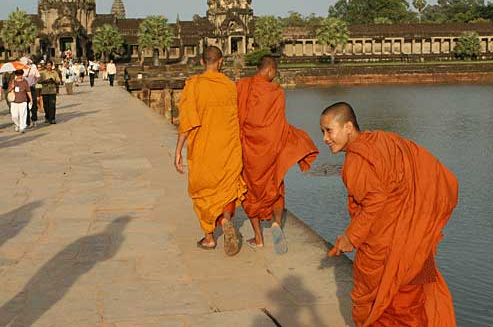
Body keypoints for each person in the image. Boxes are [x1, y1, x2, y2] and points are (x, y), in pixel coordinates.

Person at [321, 102, 458, 327]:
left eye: (329, 130)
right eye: (323, 132)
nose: (325, 138)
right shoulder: (385, 140)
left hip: (387, 252)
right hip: (415, 244)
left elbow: (375, 200)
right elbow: (433, 171)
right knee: (414, 308)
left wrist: (350, 237)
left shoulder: (356, 161)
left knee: (380, 310)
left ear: (348, 127)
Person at [236, 55, 318, 253]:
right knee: (277, 187)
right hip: (271, 150)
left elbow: (236, 116)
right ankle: (276, 223)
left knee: (250, 193)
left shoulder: (242, 86)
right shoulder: (277, 92)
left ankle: (258, 238)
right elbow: (279, 125)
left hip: (249, 150)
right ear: (270, 70)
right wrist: (292, 140)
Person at [174, 46, 246, 256]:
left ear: (202, 62)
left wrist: (178, 151)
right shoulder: (229, 86)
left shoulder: (194, 85)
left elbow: (186, 122)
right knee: (225, 188)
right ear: (221, 61)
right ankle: (225, 219)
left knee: (204, 192)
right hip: (228, 148)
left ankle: (208, 238)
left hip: (203, 150)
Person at [23, 57, 40, 128]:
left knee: (33, 105)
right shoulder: (21, 67)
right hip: (23, 89)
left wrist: (35, 83)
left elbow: (38, 76)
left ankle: (34, 120)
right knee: (25, 106)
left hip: (32, 88)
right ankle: (27, 122)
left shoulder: (33, 67)